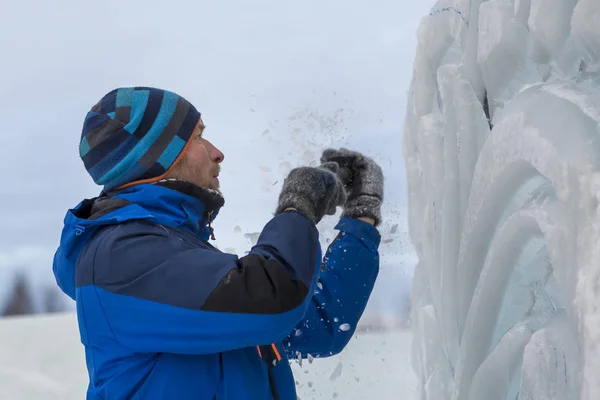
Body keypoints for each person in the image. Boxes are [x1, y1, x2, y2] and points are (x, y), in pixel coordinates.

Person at [53, 86, 384, 400]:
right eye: (197, 136)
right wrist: (298, 206)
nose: (217, 152)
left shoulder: (176, 255)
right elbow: (274, 296)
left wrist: (361, 216)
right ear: (156, 157)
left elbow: (319, 323)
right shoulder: (121, 256)